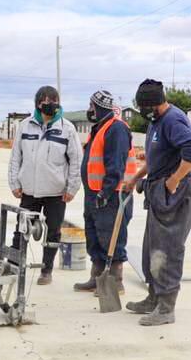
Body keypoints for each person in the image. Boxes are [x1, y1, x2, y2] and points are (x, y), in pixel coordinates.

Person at [122, 79, 191, 326]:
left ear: (153, 104)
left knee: (167, 250)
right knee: (152, 248)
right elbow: (154, 159)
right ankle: (153, 297)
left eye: (143, 106)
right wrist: (136, 178)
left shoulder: (173, 120)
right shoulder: (156, 122)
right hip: (158, 193)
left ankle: (166, 307)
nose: (141, 111)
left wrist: (174, 181)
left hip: (175, 197)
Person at [7, 85, 82, 285]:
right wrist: (14, 182)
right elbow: (16, 157)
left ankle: (46, 270)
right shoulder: (25, 126)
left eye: (54, 101)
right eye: (45, 102)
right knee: (21, 230)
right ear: (38, 104)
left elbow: (76, 160)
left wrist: (72, 187)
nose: (50, 105)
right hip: (29, 190)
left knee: (53, 231)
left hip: (56, 192)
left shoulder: (67, 128)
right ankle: (13, 265)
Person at [75, 90, 136, 295]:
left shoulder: (116, 129)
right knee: (94, 236)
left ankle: (115, 282)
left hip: (111, 195)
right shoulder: (100, 128)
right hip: (93, 193)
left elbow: (116, 165)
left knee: (112, 238)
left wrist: (105, 192)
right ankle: (97, 277)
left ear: (98, 107)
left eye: (91, 106)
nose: (89, 110)